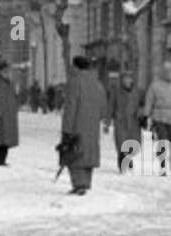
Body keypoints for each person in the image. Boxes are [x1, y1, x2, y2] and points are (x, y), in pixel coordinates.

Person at [60, 55, 108, 196]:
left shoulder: (75, 82)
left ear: (76, 67)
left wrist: (66, 129)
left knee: (75, 154)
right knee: (89, 154)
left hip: (77, 124)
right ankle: (86, 182)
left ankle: (79, 185)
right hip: (92, 126)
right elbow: (103, 107)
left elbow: (71, 107)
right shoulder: (98, 84)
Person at [107, 71, 140, 171]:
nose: (127, 81)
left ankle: (128, 158)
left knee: (133, 142)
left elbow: (139, 106)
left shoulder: (136, 92)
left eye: (129, 78)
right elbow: (111, 107)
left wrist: (141, 116)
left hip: (133, 122)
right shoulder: (116, 92)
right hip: (120, 121)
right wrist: (107, 122)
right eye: (125, 78)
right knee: (121, 142)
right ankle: (122, 161)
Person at [0, 60, 19, 166]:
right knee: (0, 138)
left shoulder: (9, 82)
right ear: (1, 70)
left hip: (9, 114)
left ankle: (1, 159)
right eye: (6, 70)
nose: (8, 72)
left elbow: (13, 97)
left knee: (5, 139)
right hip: (1, 114)